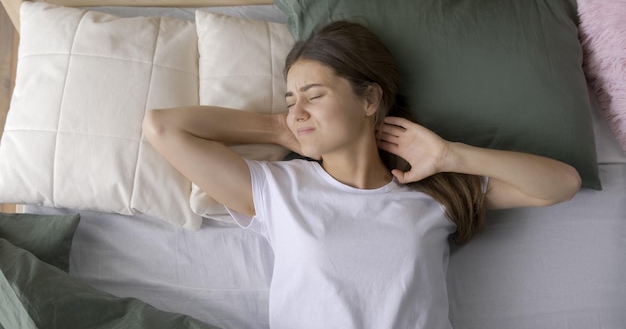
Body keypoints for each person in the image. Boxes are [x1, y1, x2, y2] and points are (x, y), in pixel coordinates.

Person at [143, 21, 581, 328]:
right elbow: (163, 127)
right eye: (290, 98)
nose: (298, 109)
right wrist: (282, 126)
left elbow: (562, 184)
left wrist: (450, 155)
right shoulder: (277, 188)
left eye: (313, 95)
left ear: (370, 99)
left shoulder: (430, 190)